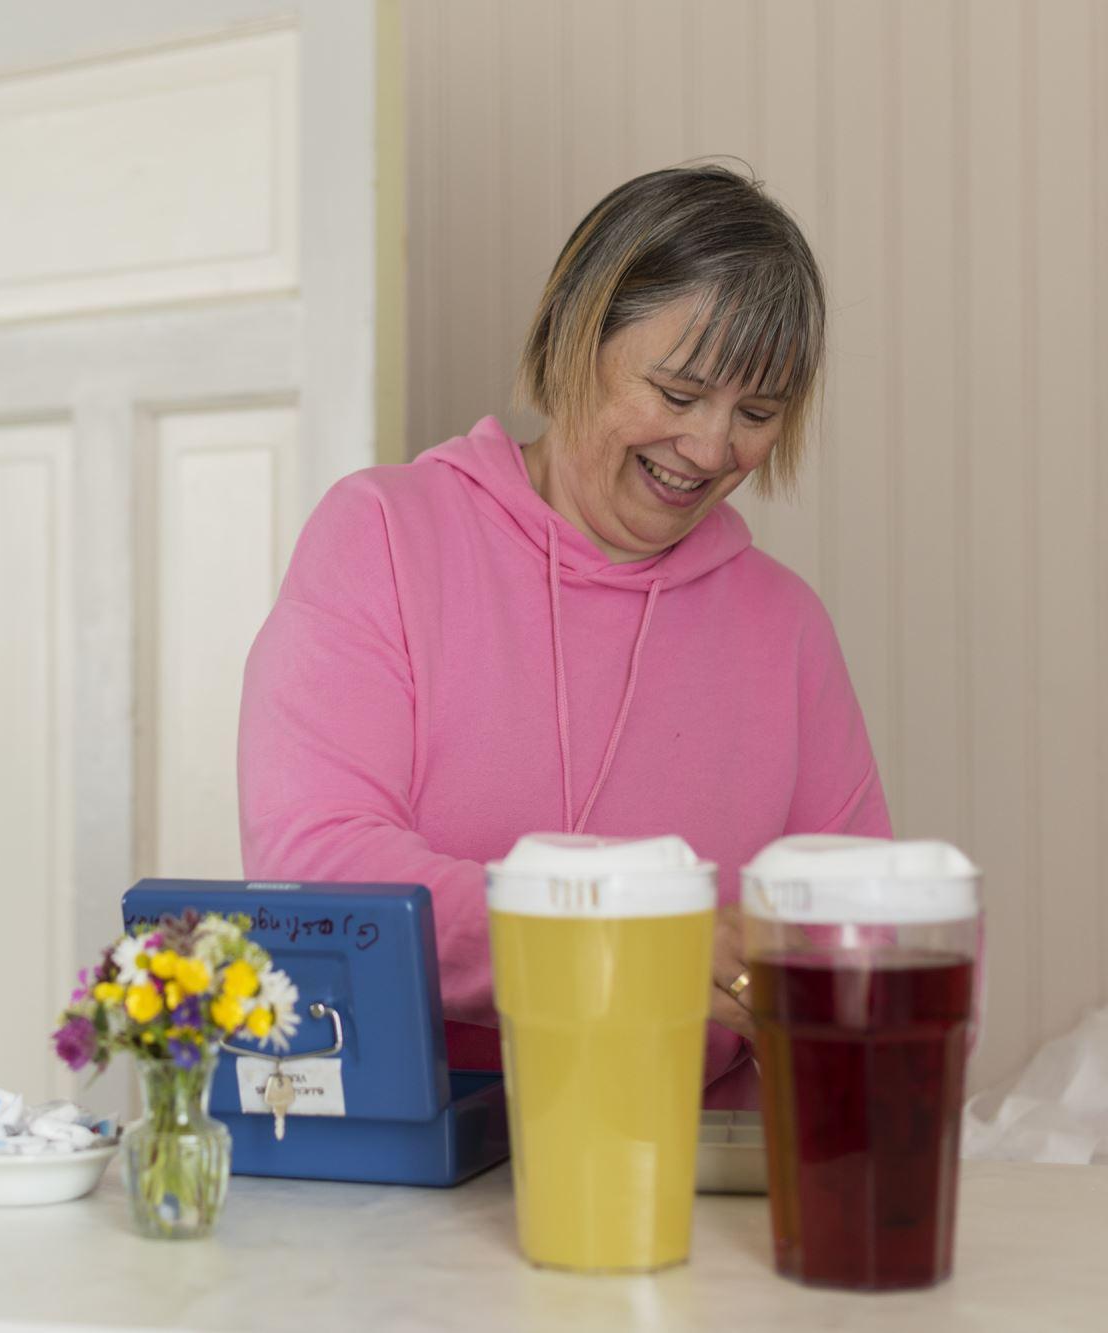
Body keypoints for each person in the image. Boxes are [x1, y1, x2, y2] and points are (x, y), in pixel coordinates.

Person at [237, 164, 889, 1108]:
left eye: (755, 414)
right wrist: (618, 941)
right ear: (573, 340)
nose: (712, 450)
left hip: (679, 1170)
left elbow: (870, 928)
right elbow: (317, 867)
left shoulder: (783, 624)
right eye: (677, 393)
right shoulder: (383, 533)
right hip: (405, 1152)